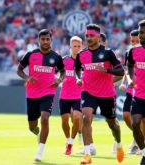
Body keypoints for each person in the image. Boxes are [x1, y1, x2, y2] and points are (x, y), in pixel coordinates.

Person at [75, 24, 125, 164]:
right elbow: (77, 68)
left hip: (106, 93)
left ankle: (119, 144)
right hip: (88, 91)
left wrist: (107, 71)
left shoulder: (108, 53)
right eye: (87, 36)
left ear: (98, 37)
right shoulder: (81, 54)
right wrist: (78, 78)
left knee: (112, 124)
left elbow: (121, 72)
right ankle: (87, 154)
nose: (89, 38)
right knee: (86, 118)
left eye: (91, 36)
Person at [16, 29, 65, 162]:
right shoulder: (30, 55)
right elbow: (19, 70)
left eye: (47, 39)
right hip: (32, 93)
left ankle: (40, 152)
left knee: (44, 118)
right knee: (32, 126)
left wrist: (59, 80)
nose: (45, 41)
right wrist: (26, 77)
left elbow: (63, 71)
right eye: (42, 39)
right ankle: (37, 133)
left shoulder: (56, 57)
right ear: (39, 40)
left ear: (51, 40)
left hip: (48, 92)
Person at [59, 36, 83, 155]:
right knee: (64, 121)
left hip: (79, 95)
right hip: (64, 95)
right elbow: (53, 73)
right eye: (75, 46)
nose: (77, 48)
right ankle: (68, 139)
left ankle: (71, 143)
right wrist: (59, 79)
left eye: (79, 46)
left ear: (82, 46)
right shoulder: (63, 60)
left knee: (77, 118)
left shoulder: (85, 61)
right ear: (70, 46)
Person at [127, 19, 145, 165]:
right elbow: (130, 65)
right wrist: (132, 77)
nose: (141, 35)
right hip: (139, 95)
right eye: (140, 32)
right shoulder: (133, 51)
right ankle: (144, 153)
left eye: (144, 32)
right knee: (135, 124)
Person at [119, 29, 140, 154]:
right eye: (132, 41)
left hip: (141, 88)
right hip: (131, 86)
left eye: (137, 41)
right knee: (126, 115)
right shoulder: (129, 52)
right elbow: (127, 69)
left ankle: (138, 141)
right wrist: (123, 82)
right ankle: (137, 135)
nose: (134, 43)